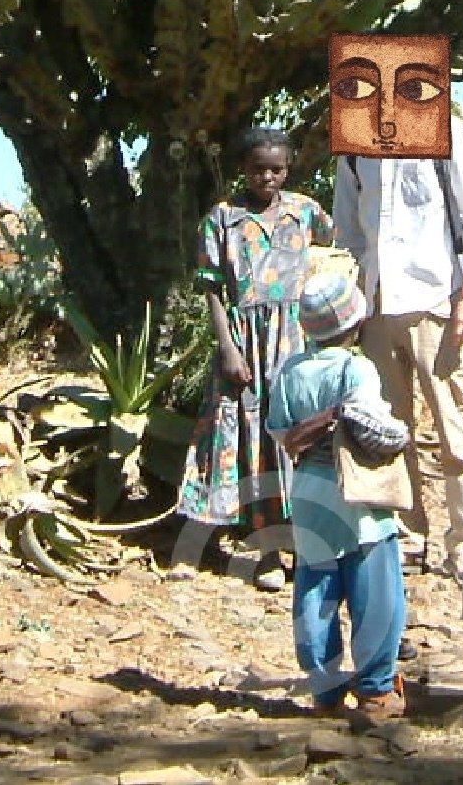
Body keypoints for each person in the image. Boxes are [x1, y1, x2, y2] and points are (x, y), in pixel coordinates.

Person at [331, 103, 463, 579]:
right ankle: (405, 537)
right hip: (377, 304)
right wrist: (353, 298)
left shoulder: (443, 128)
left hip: (436, 300)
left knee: (455, 429)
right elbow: (348, 226)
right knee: (388, 428)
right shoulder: (355, 140)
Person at [177, 126, 334, 590]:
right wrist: (228, 347)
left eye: (276, 169)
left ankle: (302, 546)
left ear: (288, 169)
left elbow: (332, 252)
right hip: (244, 341)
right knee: (244, 436)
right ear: (242, 169)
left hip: (295, 341)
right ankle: (259, 546)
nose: (267, 177)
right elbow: (212, 291)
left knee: (296, 438)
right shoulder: (223, 219)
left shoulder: (305, 212)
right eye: (257, 169)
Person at [266, 258, 411, 719]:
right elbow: (370, 426)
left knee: (316, 589)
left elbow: (279, 432)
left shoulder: (290, 372)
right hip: (358, 493)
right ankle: (376, 690)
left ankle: (325, 691)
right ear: (356, 322)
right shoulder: (357, 369)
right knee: (375, 591)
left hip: (309, 491)